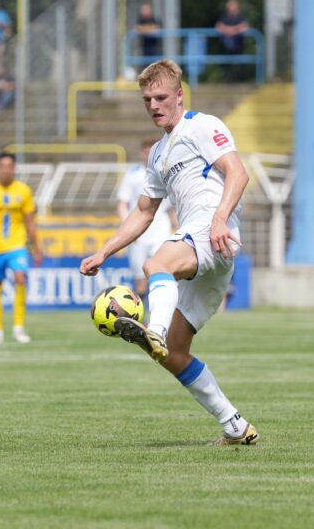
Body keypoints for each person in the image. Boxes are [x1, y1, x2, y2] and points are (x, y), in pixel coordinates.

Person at [80, 59, 259, 446]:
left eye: (161, 97)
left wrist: (219, 219)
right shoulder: (159, 154)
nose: (154, 105)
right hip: (207, 248)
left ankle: (154, 329)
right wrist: (105, 252)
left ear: (179, 95)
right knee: (172, 354)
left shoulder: (201, 126)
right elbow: (144, 211)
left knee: (155, 264)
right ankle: (234, 425)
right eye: (147, 99)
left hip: (213, 228)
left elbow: (238, 172)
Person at [0, 152, 43, 344]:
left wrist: (37, 247)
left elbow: (30, 221)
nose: (5, 170)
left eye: (9, 166)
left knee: (20, 277)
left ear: (14, 168)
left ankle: (18, 328)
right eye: (2, 166)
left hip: (16, 244)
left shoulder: (23, 190)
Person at [118, 139, 177, 298]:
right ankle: (142, 312)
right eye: (146, 152)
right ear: (141, 153)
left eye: (152, 151)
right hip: (138, 234)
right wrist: (128, 228)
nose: (149, 155)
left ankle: (162, 310)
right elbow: (122, 204)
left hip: (160, 232)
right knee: (141, 284)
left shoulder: (166, 172)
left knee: (161, 273)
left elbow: (171, 207)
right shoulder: (133, 175)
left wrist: (177, 228)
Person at [215, 0, 249, 81]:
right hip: (227, 45)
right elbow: (218, 27)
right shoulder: (224, 17)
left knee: (242, 62)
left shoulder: (240, 17)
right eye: (230, 6)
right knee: (227, 63)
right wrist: (235, 29)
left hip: (239, 44)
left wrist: (230, 30)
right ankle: (228, 80)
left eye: (233, 6)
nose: (231, 8)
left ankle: (242, 79)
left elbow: (245, 27)